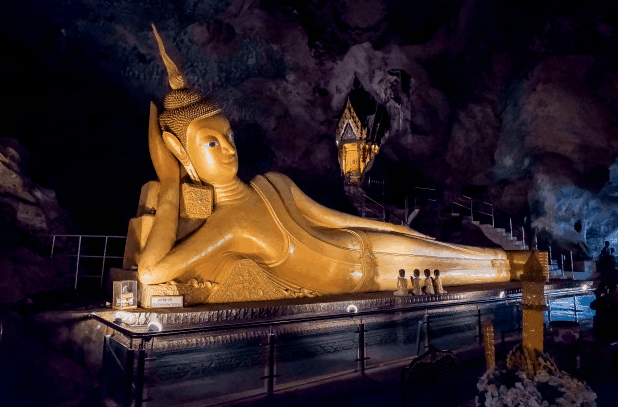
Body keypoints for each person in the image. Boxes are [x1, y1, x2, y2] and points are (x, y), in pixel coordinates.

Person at [135, 26, 513, 301]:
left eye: (229, 136)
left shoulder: (272, 183)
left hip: (361, 244)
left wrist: (396, 230)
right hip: (357, 277)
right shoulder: (227, 223)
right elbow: (151, 271)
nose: (228, 149)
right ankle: (522, 267)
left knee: (474, 258)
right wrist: (170, 182)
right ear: (181, 151)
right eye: (211, 143)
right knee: (474, 271)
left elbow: (333, 219)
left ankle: (527, 265)